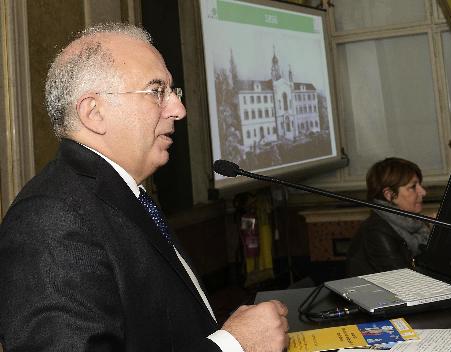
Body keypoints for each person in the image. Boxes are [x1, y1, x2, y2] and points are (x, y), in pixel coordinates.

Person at [0, 23, 288, 352]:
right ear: (94, 113)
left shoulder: (122, 194)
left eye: (173, 92)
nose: (179, 110)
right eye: (156, 91)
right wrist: (234, 345)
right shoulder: (49, 221)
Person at [346, 157, 431, 276]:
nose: (423, 192)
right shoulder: (377, 231)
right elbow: (403, 281)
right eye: (413, 187)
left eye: (420, 185)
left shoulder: (418, 222)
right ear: (389, 195)